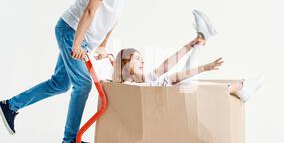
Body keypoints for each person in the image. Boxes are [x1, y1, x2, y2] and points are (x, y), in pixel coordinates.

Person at [0, 0, 142, 143]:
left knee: (59, 84)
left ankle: (10, 106)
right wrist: (77, 43)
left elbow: (113, 16)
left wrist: (103, 44)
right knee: (83, 84)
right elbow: (90, 9)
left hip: (82, 39)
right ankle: (70, 141)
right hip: (71, 31)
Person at [113, 10, 265, 102]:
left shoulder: (141, 81)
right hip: (173, 102)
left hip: (175, 95)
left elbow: (164, 67)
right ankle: (242, 86)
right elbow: (171, 78)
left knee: (187, 84)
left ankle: (201, 39)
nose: (143, 61)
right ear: (125, 64)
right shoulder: (129, 88)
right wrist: (205, 67)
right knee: (187, 85)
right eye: (137, 59)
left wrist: (189, 45)